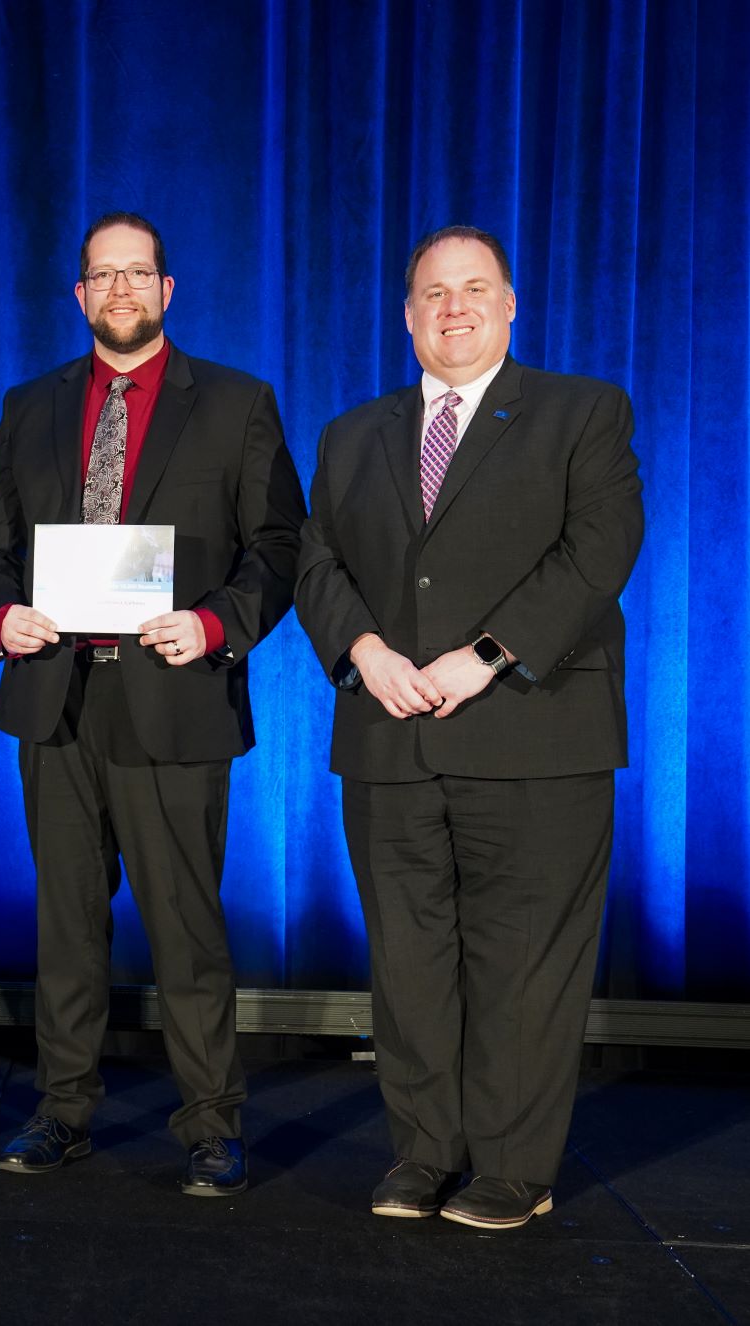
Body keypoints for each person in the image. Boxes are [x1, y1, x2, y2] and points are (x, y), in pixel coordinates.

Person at [296, 225, 643, 1230]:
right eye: (432, 293)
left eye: (474, 288)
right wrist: (362, 652)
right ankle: (423, 1151)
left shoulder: (581, 412)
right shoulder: (350, 434)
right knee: (407, 963)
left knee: (522, 963)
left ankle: (511, 1166)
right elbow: (316, 561)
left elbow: (599, 550)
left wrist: (485, 656)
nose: (453, 307)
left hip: (534, 736)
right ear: (406, 315)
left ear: (510, 303)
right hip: (389, 740)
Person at [0, 212, 306, 1195]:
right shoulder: (29, 406)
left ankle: (209, 1124)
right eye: (101, 275)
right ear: (79, 296)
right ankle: (60, 1110)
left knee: (185, 928)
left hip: (175, 697)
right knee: (65, 925)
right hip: (55, 700)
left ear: (167, 289)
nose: (120, 290)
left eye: (137, 273)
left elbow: (276, 546)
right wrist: (1, 617)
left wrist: (214, 625)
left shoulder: (235, 403)